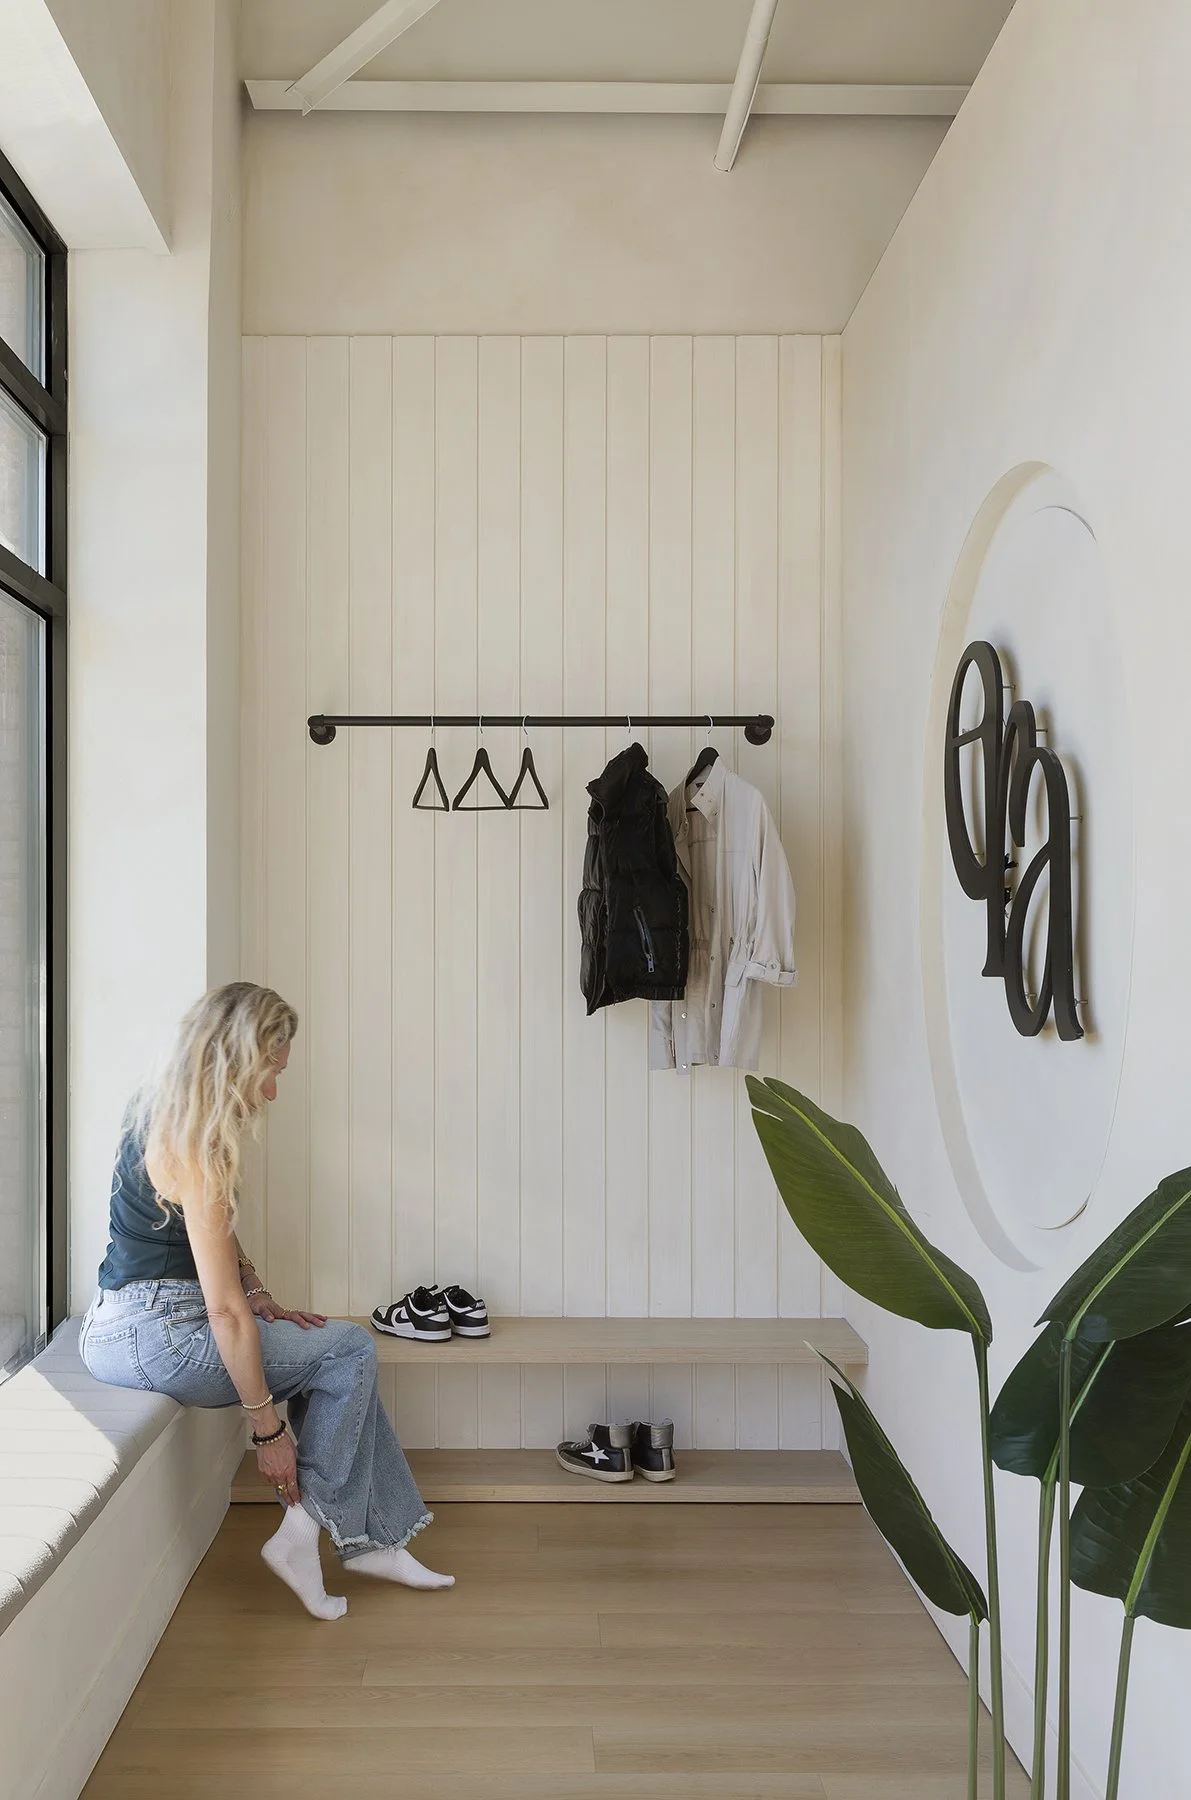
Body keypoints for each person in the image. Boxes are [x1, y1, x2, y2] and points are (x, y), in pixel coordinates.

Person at [78, 981, 452, 1620]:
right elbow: (222, 1316)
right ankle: (313, 1539)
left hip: (126, 1323)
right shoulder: (191, 1141)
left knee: (333, 1354)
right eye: (269, 1070)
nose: (274, 1090)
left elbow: (209, 1238)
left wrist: (257, 1290)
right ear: (234, 1058)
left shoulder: (163, 1106)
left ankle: (369, 1541)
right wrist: (266, 1430)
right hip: (157, 1334)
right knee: (350, 1349)